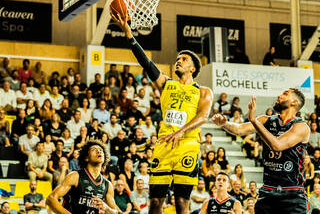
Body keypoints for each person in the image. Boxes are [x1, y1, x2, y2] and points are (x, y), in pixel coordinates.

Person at [113, 13, 213, 214]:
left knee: (181, 202)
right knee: (156, 201)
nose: (178, 61)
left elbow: (202, 117)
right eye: (177, 59)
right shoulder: (166, 83)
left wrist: (181, 131)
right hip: (164, 144)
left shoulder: (203, 91)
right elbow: (146, 63)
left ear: (193, 68)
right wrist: (128, 34)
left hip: (187, 145)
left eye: (183, 59)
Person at [212, 88, 310, 214]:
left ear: (294, 103)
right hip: (267, 192)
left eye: (285, 94)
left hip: (293, 194)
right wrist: (224, 123)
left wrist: (253, 120)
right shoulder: (266, 120)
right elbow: (239, 129)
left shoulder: (301, 127)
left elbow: (277, 145)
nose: (279, 95)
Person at [46, 139, 117, 214]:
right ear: (86, 158)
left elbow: (115, 212)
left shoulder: (108, 185)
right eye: (94, 149)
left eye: (101, 150)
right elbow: (51, 199)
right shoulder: (75, 176)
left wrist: (106, 207)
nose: (99, 151)